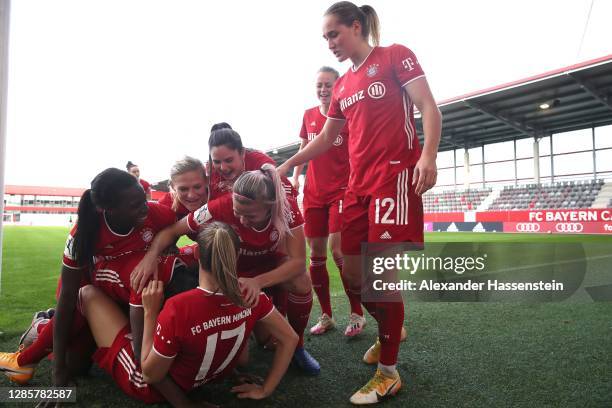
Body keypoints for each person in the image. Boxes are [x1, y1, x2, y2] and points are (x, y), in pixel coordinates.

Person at [278, 2, 442, 404]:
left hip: (394, 179)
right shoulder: (343, 87)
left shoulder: (395, 56)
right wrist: (286, 165)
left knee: (381, 280)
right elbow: (322, 140)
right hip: (356, 189)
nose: (330, 42)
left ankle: (388, 371)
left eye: (334, 33)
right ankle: (389, 328)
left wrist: (428, 155)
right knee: (353, 277)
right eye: (325, 37)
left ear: (357, 26)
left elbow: (428, 107)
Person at [0, 168, 192, 386]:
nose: (144, 209)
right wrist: (58, 370)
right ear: (108, 209)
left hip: (125, 291)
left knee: (81, 367)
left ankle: (46, 328)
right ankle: (38, 336)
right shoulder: (83, 235)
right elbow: (69, 296)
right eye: (135, 205)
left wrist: (158, 251)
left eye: (143, 201)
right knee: (73, 367)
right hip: (86, 296)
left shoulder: (155, 213)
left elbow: (171, 236)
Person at [131, 164, 321, 375]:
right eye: (238, 213)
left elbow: (298, 262)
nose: (241, 220)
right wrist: (150, 257)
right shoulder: (218, 206)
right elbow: (173, 230)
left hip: (265, 269)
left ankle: (299, 347)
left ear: (271, 207)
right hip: (235, 271)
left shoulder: (286, 207)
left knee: (301, 281)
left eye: (251, 217)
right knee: (253, 351)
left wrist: (258, 282)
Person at [292, 66, 365, 337]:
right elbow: (303, 148)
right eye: (319, 85)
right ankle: (326, 316)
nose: (323, 90)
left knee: (338, 252)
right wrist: (296, 176)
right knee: (316, 257)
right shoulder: (309, 115)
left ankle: (357, 312)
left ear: (338, 87)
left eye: (328, 85)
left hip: (341, 192)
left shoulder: (346, 116)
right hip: (313, 193)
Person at [207, 125, 295, 201]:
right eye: (217, 162)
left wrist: (238, 185)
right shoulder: (211, 169)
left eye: (229, 160)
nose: (223, 168)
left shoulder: (259, 160)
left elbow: (270, 188)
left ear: (242, 153)